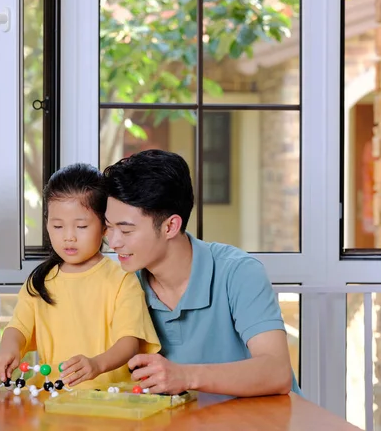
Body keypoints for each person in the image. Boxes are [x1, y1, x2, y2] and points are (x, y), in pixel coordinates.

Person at [102, 149, 300, 397]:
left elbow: (276, 371)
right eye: (109, 228)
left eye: (126, 231)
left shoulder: (238, 272)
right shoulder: (125, 284)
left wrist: (184, 376)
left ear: (170, 226)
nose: (114, 242)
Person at [0, 163, 160, 390]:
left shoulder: (121, 280)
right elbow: (18, 327)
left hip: (110, 402)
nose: (68, 237)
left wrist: (96, 365)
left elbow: (129, 342)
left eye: (81, 226)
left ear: (104, 228)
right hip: (53, 401)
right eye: (58, 226)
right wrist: (9, 349)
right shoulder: (40, 281)